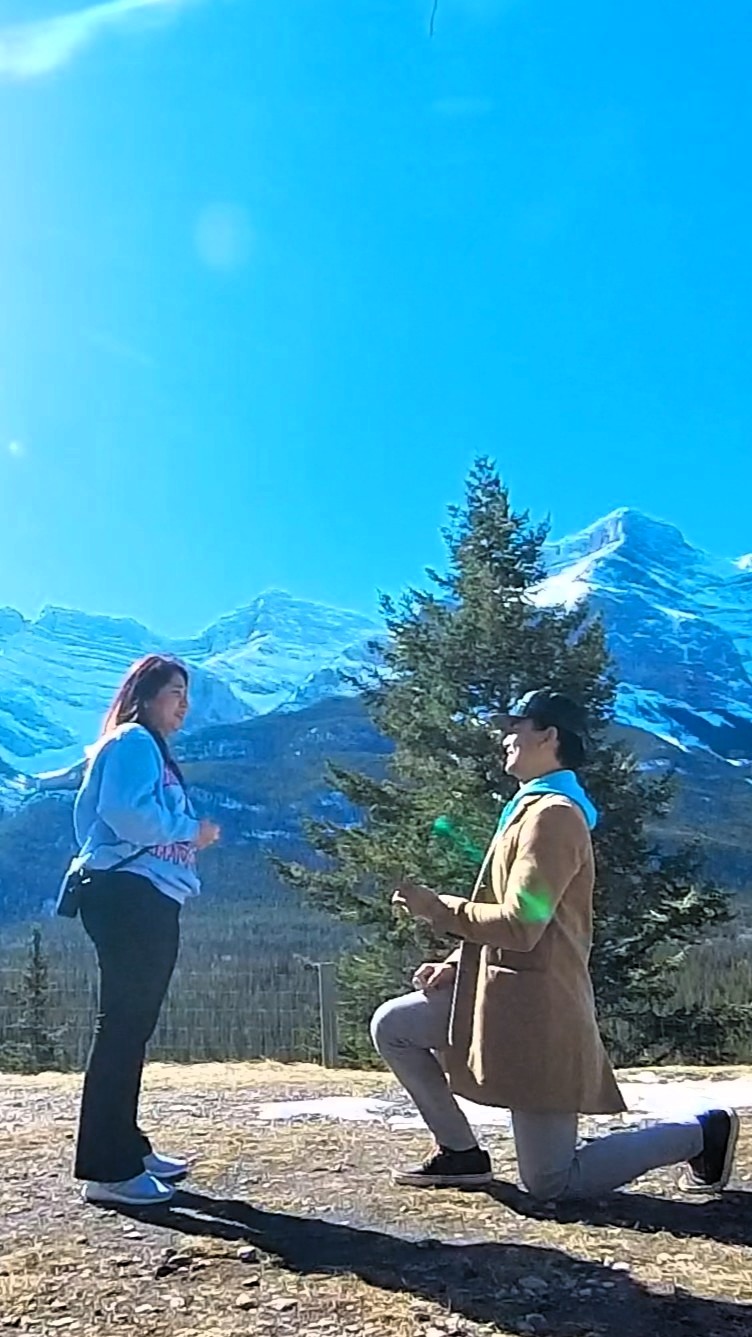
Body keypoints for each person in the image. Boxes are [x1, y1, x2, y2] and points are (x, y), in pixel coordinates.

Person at [372, 688, 739, 1200]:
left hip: (537, 1011)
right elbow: (525, 914)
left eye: (515, 728)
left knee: (550, 1182)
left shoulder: (553, 816)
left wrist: (440, 910)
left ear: (548, 736)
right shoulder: (531, 810)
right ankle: (461, 1154)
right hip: (499, 997)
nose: (504, 738)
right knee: (395, 1025)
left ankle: (701, 1133)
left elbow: (525, 924)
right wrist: (459, 961)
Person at [64, 655, 220, 1207]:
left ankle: (127, 1147)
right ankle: (109, 1170)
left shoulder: (143, 746)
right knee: (123, 1028)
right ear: (145, 695)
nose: (184, 705)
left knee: (131, 1026)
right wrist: (191, 831)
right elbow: (125, 814)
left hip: (141, 894)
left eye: (186, 694)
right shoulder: (132, 741)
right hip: (130, 892)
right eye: (175, 691)